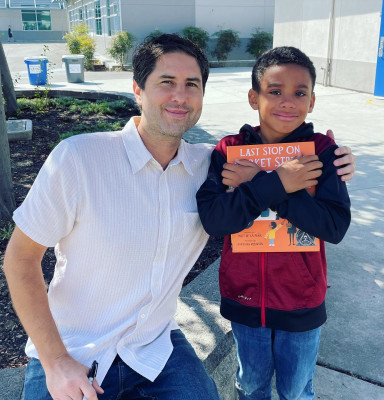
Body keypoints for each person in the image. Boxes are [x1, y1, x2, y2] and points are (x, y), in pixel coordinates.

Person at [3, 35, 355, 400]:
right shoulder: (78, 158)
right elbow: (19, 259)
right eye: (166, 82)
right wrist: (56, 360)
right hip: (72, 350)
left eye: (192, 85)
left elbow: (305, 196)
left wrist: (338, 161)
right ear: (138, 89)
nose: (180, 96)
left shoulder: (208, 163)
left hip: (153, 348)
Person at [196, 46, 352, 400]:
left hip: (302, 301)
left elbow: (334, 226)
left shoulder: (323, 152)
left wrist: (270, 187)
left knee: (296, 391)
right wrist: (277, 182)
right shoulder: (229, 150)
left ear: (312, 101)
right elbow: (215, 220)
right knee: (250, 386)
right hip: (244, 297)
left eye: (300, 93)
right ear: (254, 97)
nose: (287, 102)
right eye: (275, 90)